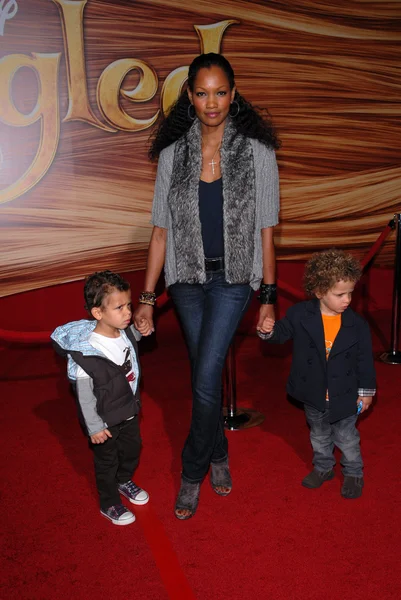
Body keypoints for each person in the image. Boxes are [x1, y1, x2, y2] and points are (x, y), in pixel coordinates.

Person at [133, 52, 281, 519]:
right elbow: (160, 231)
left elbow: (267, 232)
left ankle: (192, 471)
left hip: (234, 279)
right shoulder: (174, 155)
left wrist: (268, 299)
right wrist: (147, 298)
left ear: (233, 95)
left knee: (203, 380)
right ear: (190, 97)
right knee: (204, 375)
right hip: (188, 280)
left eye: (220, 92)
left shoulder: (258, 153)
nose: (211, 101)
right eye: (202, 92)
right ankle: (218, 454)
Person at [258, 249, 376, 499]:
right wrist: (268, 330)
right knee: (319, 435)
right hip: (312, 393)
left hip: (344, 395)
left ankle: (354, 472)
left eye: (351, 293)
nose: (347, 300)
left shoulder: (358, 325)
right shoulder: (300, 314)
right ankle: (323, 468)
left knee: (346, 437)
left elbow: (365, 361)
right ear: (320, 292)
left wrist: (365, 393)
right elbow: (280, 334)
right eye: (340, 294)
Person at [51, 270, 149, 525]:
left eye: (128, 304)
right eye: (119, 307)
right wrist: (94, 427)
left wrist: (142, 328)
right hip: (104, 420)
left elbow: (135, 338)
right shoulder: (86, 353)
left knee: (132, 449)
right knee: (106, 461)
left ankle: (123, 480)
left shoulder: (124, 332)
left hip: (128, 410)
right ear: (98, 313)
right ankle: (109, 502)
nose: (128, 312)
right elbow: (83, 396)